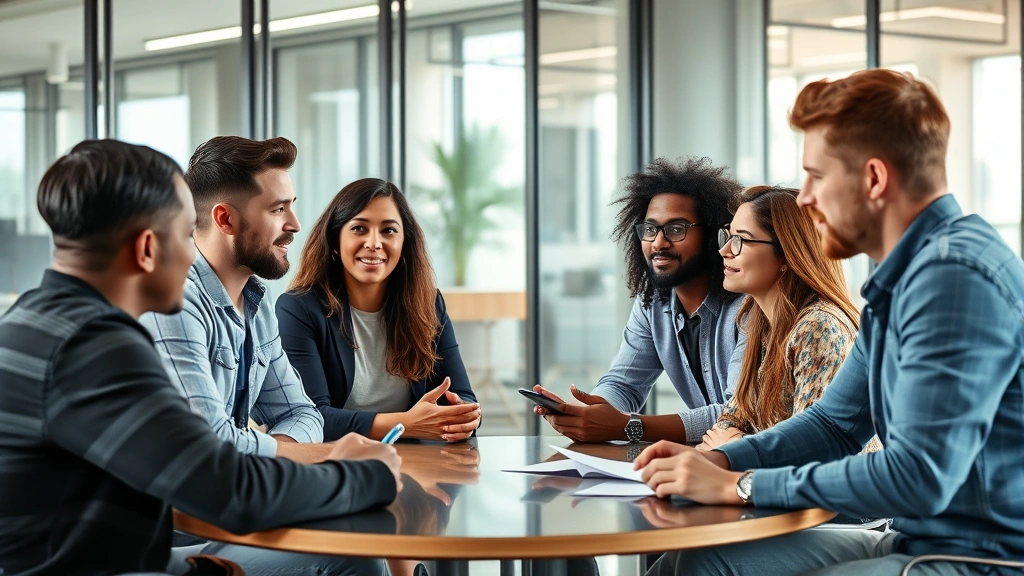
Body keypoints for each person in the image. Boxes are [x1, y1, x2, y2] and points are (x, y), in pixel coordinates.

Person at [635, 69, 1024, 575]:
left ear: (874, 179)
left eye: (817, 176)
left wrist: (743, 485)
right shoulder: (903, 277)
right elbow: (833, 424)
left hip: (975, 560)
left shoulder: (952, 278)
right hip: (913, 540)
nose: (805, 198)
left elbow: (919, 476)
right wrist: (721, 461)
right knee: (691, 564)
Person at [0, 139, 400, 576]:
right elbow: (228, 489)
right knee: (353, 559)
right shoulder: (94, 345)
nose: (193, 253)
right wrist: (365, 474)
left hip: (108, 559)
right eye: (185, 233)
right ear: (147, 248)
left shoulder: (38, 321)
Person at [141, 136, 335, 463]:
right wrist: (322, 454)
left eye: (291, 206)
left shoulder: (256, 303)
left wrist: (273, 458)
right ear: (226, 219)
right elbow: (206, 441)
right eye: (278, 209)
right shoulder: (173, 301)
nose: (295, 224)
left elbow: (302, 413)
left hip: (229, 486)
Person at [533, 157, 746, 445]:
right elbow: (624, 383)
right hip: (710, 456)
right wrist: (594, 410)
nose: (658, 242)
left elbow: (738, 415)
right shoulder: (654, 303)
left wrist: (628, 426)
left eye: (676, 229)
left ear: (712, 235)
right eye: (649, 229)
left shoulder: (748, 306)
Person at [276, 178, 479, 442]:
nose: (374, 243)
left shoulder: (428, 303)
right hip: (335, 459)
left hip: (415, 460)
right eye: (359, 228)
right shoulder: (298, 309)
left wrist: (463, 416)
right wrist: (406, 423)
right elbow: (309, 418)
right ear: (335, 241)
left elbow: (464, 397)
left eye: (389, 230)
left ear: (404, 244)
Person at [698, 185, 871, 451]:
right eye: (728, 236)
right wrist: (733, 445)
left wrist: (737, 446)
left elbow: (813, 452)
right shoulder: (764, 323)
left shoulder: (819, 328)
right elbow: (727, 421)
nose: (725, 251)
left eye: (741, 240)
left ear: (786, 256)